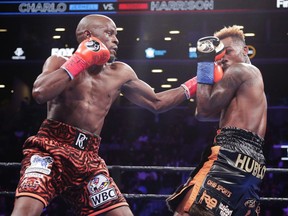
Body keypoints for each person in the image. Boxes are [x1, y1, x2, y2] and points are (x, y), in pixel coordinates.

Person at [10, 14, 207, 216]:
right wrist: (80, 61)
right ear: (88, 35)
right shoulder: (59, 62)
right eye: (109, 33)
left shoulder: (120, 72)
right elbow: (40, 93)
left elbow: (157, 102)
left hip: (89, 160)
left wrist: (200, 78)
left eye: (116, 34)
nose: (116, 39)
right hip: (50, 150)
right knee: (25, 213)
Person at [166, 25, 267, 216]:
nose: (222, 58)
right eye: (219, 54)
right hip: (254, 166)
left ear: (245, 51)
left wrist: (205, 62)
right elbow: (203, 112)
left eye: (228, 51)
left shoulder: (241, 69)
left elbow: (203, 110)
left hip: (229, 156)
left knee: (186, 211)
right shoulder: (251, 82)